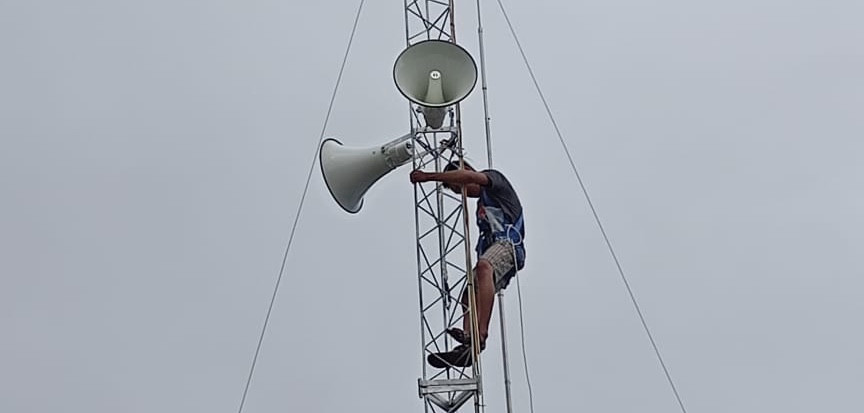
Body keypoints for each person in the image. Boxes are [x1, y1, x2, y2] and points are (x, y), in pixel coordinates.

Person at [410, 160, 526, 368]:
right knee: (469, 293)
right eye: (457, 191)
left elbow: (471, 178)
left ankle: (480, 334)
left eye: (460, 188)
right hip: (496, 248)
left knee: (484, 268)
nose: (462, 193)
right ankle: (468, 343)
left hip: (508, 244)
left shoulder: (493, 180)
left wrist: (429, 177)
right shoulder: (481, 204)